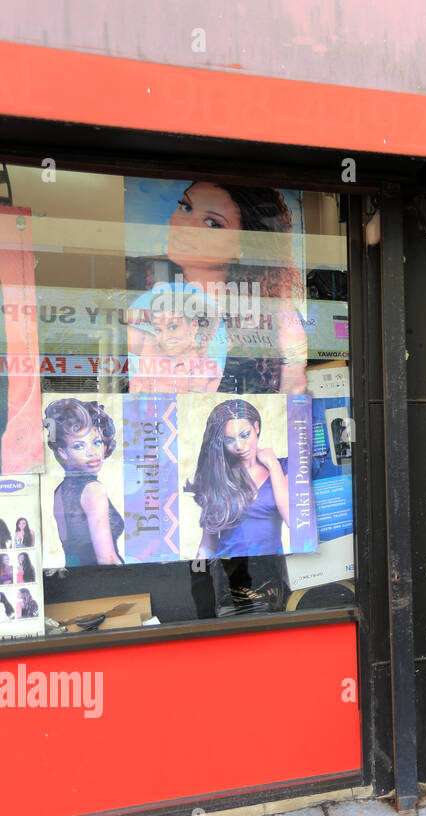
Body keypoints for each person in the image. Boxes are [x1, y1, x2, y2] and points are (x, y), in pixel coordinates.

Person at [164, 182, 308, 393]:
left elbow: (293, 390)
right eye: (186, 207)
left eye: (212, 223)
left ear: (243, 246)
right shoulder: (144, 293)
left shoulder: (269, 312)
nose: (186, 226)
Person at [186, 399, 291, 559]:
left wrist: (273, 464)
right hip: (225, 572)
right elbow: (208, 544)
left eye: (244, 435)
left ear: (256, 427)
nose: (239, 446)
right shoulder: (219, 476)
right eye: (229, 440)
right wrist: (197, 578)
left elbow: (293, 520)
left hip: (269, 572)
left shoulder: (283, 468)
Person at [45, 398, 125, 566]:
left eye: (97, 442)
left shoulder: (59, 491)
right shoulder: (93, 490)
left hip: (75, 580)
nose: (93, 453)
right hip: (101, 583)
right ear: (63, 452)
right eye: (79, 446)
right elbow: (107, 560)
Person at [126, 282, 225, 393]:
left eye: (173, 327)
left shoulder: (210, 373)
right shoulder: (150, 346)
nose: (165, 337)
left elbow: (198, 407)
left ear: (194, 326)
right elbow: (109, 332)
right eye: (158, 330)